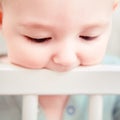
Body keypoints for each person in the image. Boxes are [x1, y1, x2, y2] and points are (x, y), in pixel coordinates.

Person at [0, 0, 119, 120]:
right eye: (39, 38)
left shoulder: (116, 77)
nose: (66, 59)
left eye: (88, 37)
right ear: (1, 20)